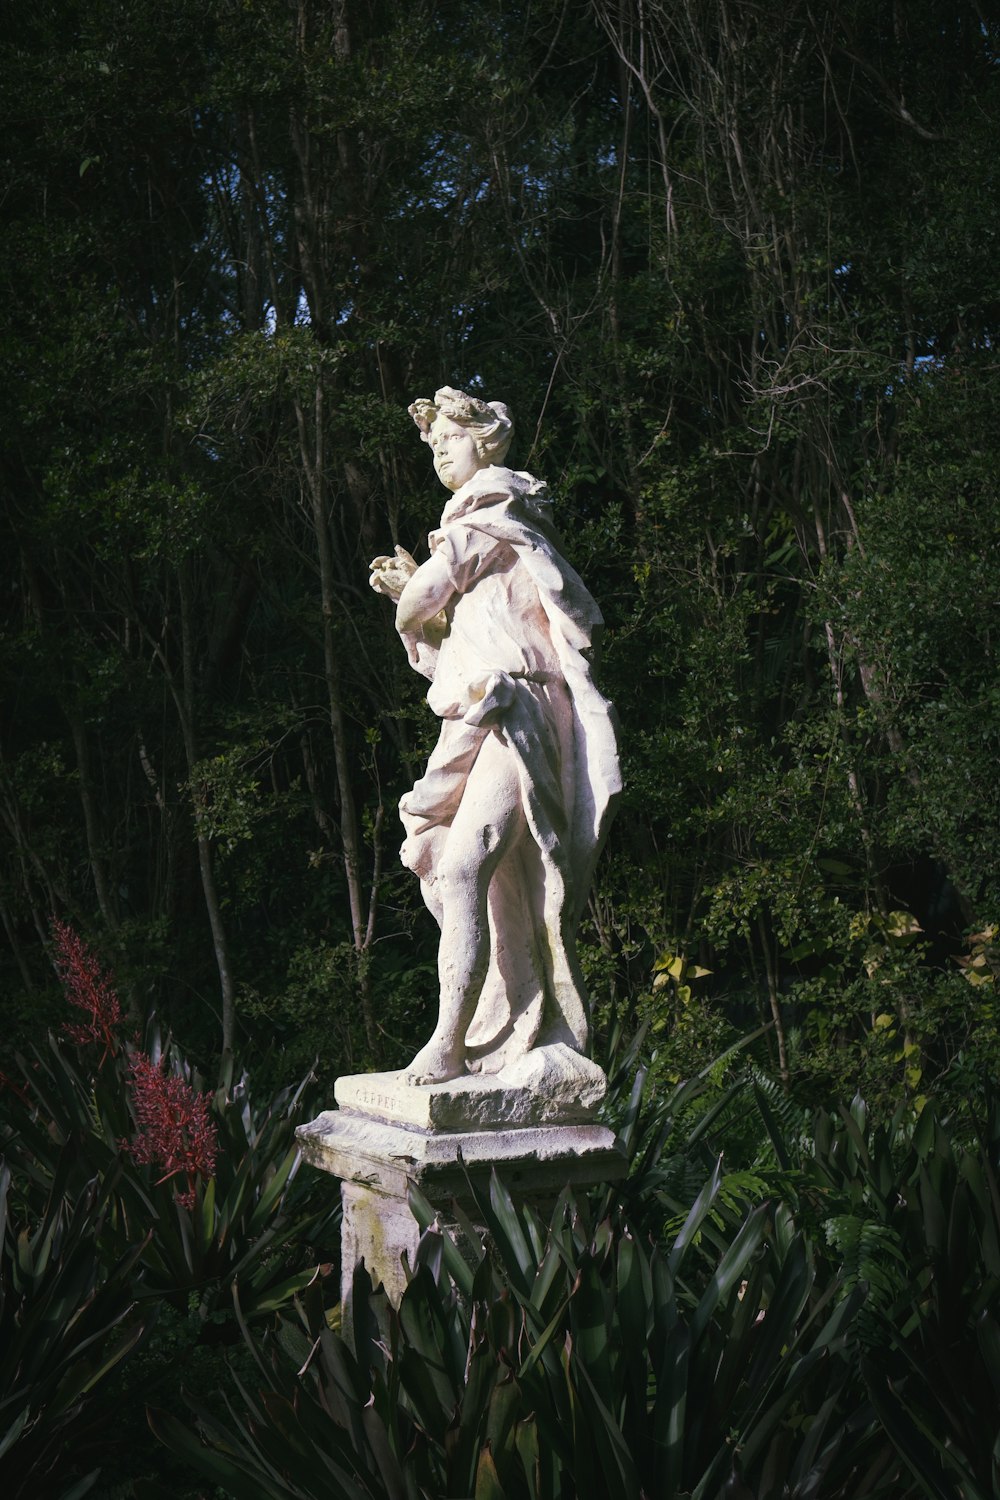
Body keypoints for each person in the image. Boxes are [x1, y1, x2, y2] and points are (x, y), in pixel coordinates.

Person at [370, 386, 620, 1084]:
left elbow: (431, 597)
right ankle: (507, 1021)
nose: (439, 451)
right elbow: (467, 631)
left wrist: (409, 604)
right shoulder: (486, 523)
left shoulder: (491, 511)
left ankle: (449, 1042)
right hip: (491, 706)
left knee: (461, 864)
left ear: (484, 441)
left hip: (520, 709)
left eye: (449, 438)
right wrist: (420, 603)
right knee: (474, 872)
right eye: (434, 444)